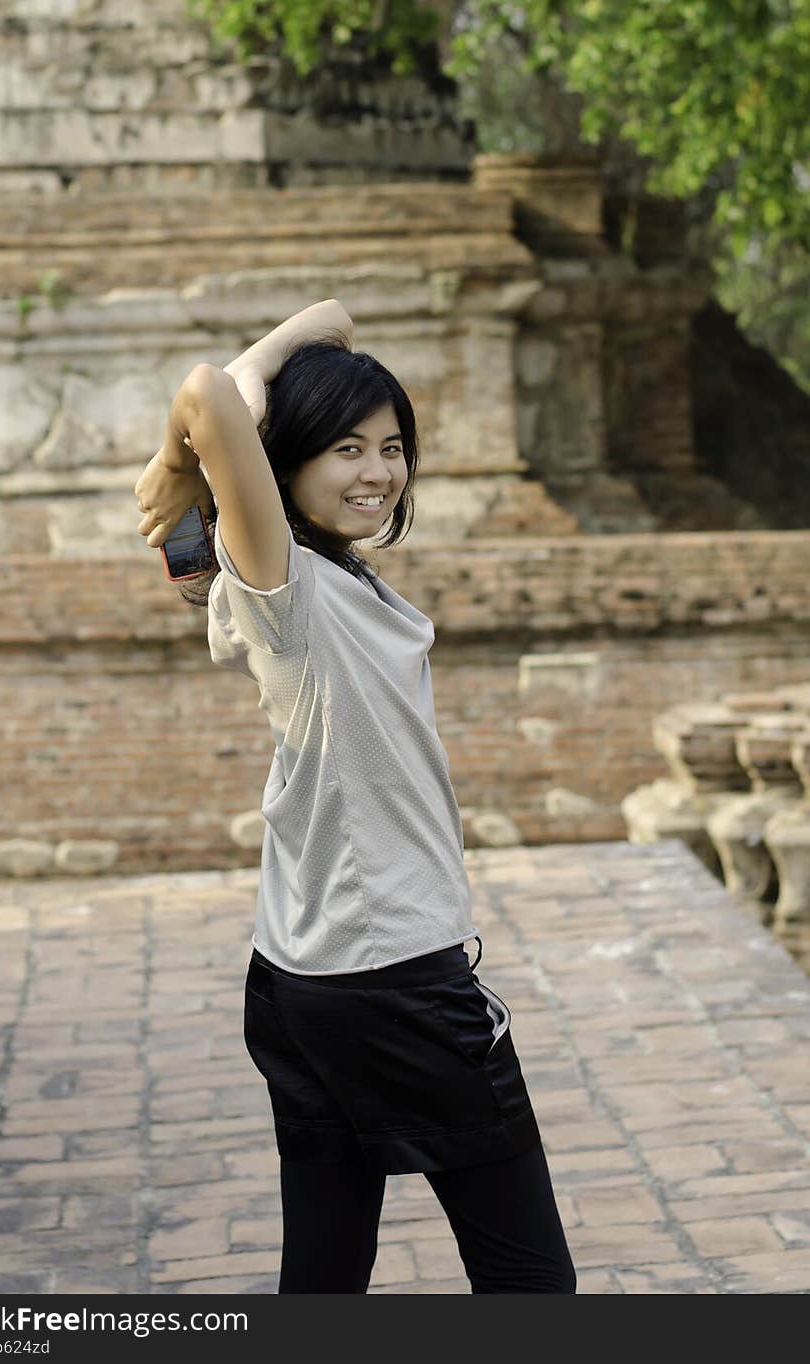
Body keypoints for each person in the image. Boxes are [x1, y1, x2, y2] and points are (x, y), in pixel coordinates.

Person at [134, 299, 576, 1295]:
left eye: (390, 446)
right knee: (531, 1276)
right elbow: (210, 392)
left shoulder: (319, 574)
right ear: (282, 458)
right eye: (343, 447)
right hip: (390, 977)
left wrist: (210, 451)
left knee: (326, 1267)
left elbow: (329, 319)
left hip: (302, 970)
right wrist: (180, 458)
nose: (377, 472)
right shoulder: (283, 586)